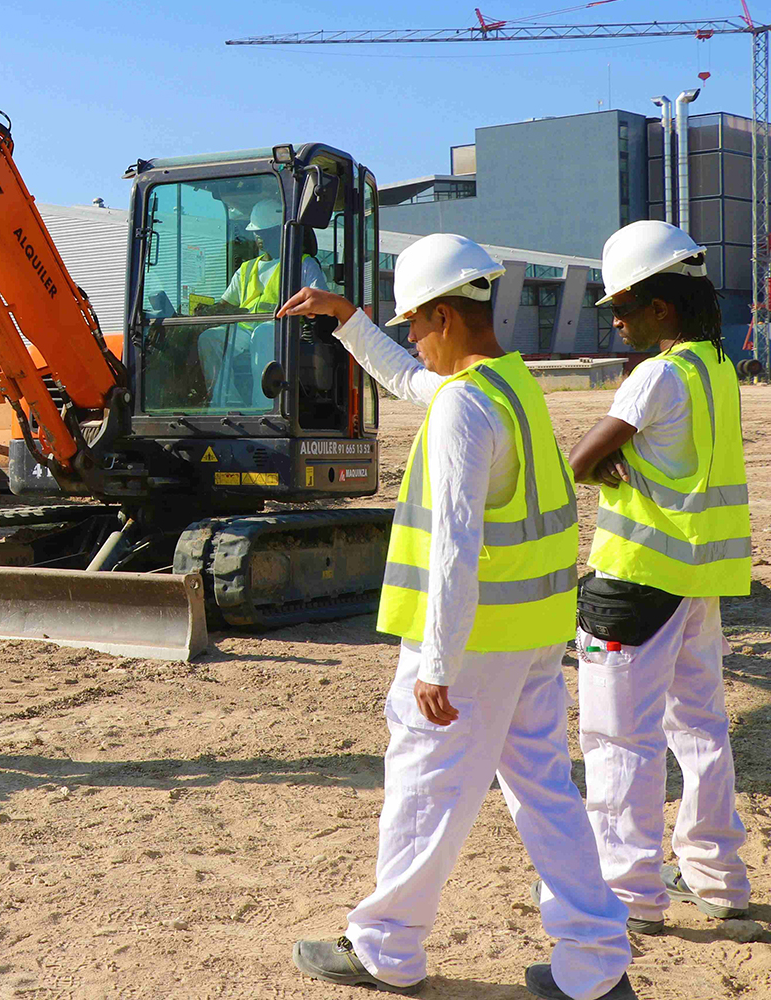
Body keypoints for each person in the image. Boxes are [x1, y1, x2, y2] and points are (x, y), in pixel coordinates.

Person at [276, 233, 635, 1000]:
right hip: (533, 637)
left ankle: (385, 950)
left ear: (443, 314)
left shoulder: (464, 410)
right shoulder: (509, 385)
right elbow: (414, 380)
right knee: (546, 798)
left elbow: (453, 548)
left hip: (470, 650)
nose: (411, 340)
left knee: (421, 787)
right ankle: (596, 964)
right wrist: (349, 321)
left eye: (414, 324)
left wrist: (435, 664)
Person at [565, 220, 753, 934]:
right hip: (697, 582)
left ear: (661, 309)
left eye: (624, 306)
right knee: (701, 728)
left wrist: (600, 466)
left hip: (634, 585)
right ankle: (716, 877)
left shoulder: (658, 375)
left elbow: (579, 462)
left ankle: (629, 893)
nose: (615, 319)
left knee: (619, 743)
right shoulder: (715, 371)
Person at [194, 199, 329, 406]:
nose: (258, 236)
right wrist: (209, 310)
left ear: (280, 231)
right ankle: (228, 401)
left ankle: (264, 406)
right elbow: (227, 303)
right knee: (209, 338)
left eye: (264, 232)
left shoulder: (303, 264)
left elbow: (320, 299)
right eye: (257, 232)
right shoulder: (246, 269)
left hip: (285, 329)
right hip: (245, 330)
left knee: (263, 334)